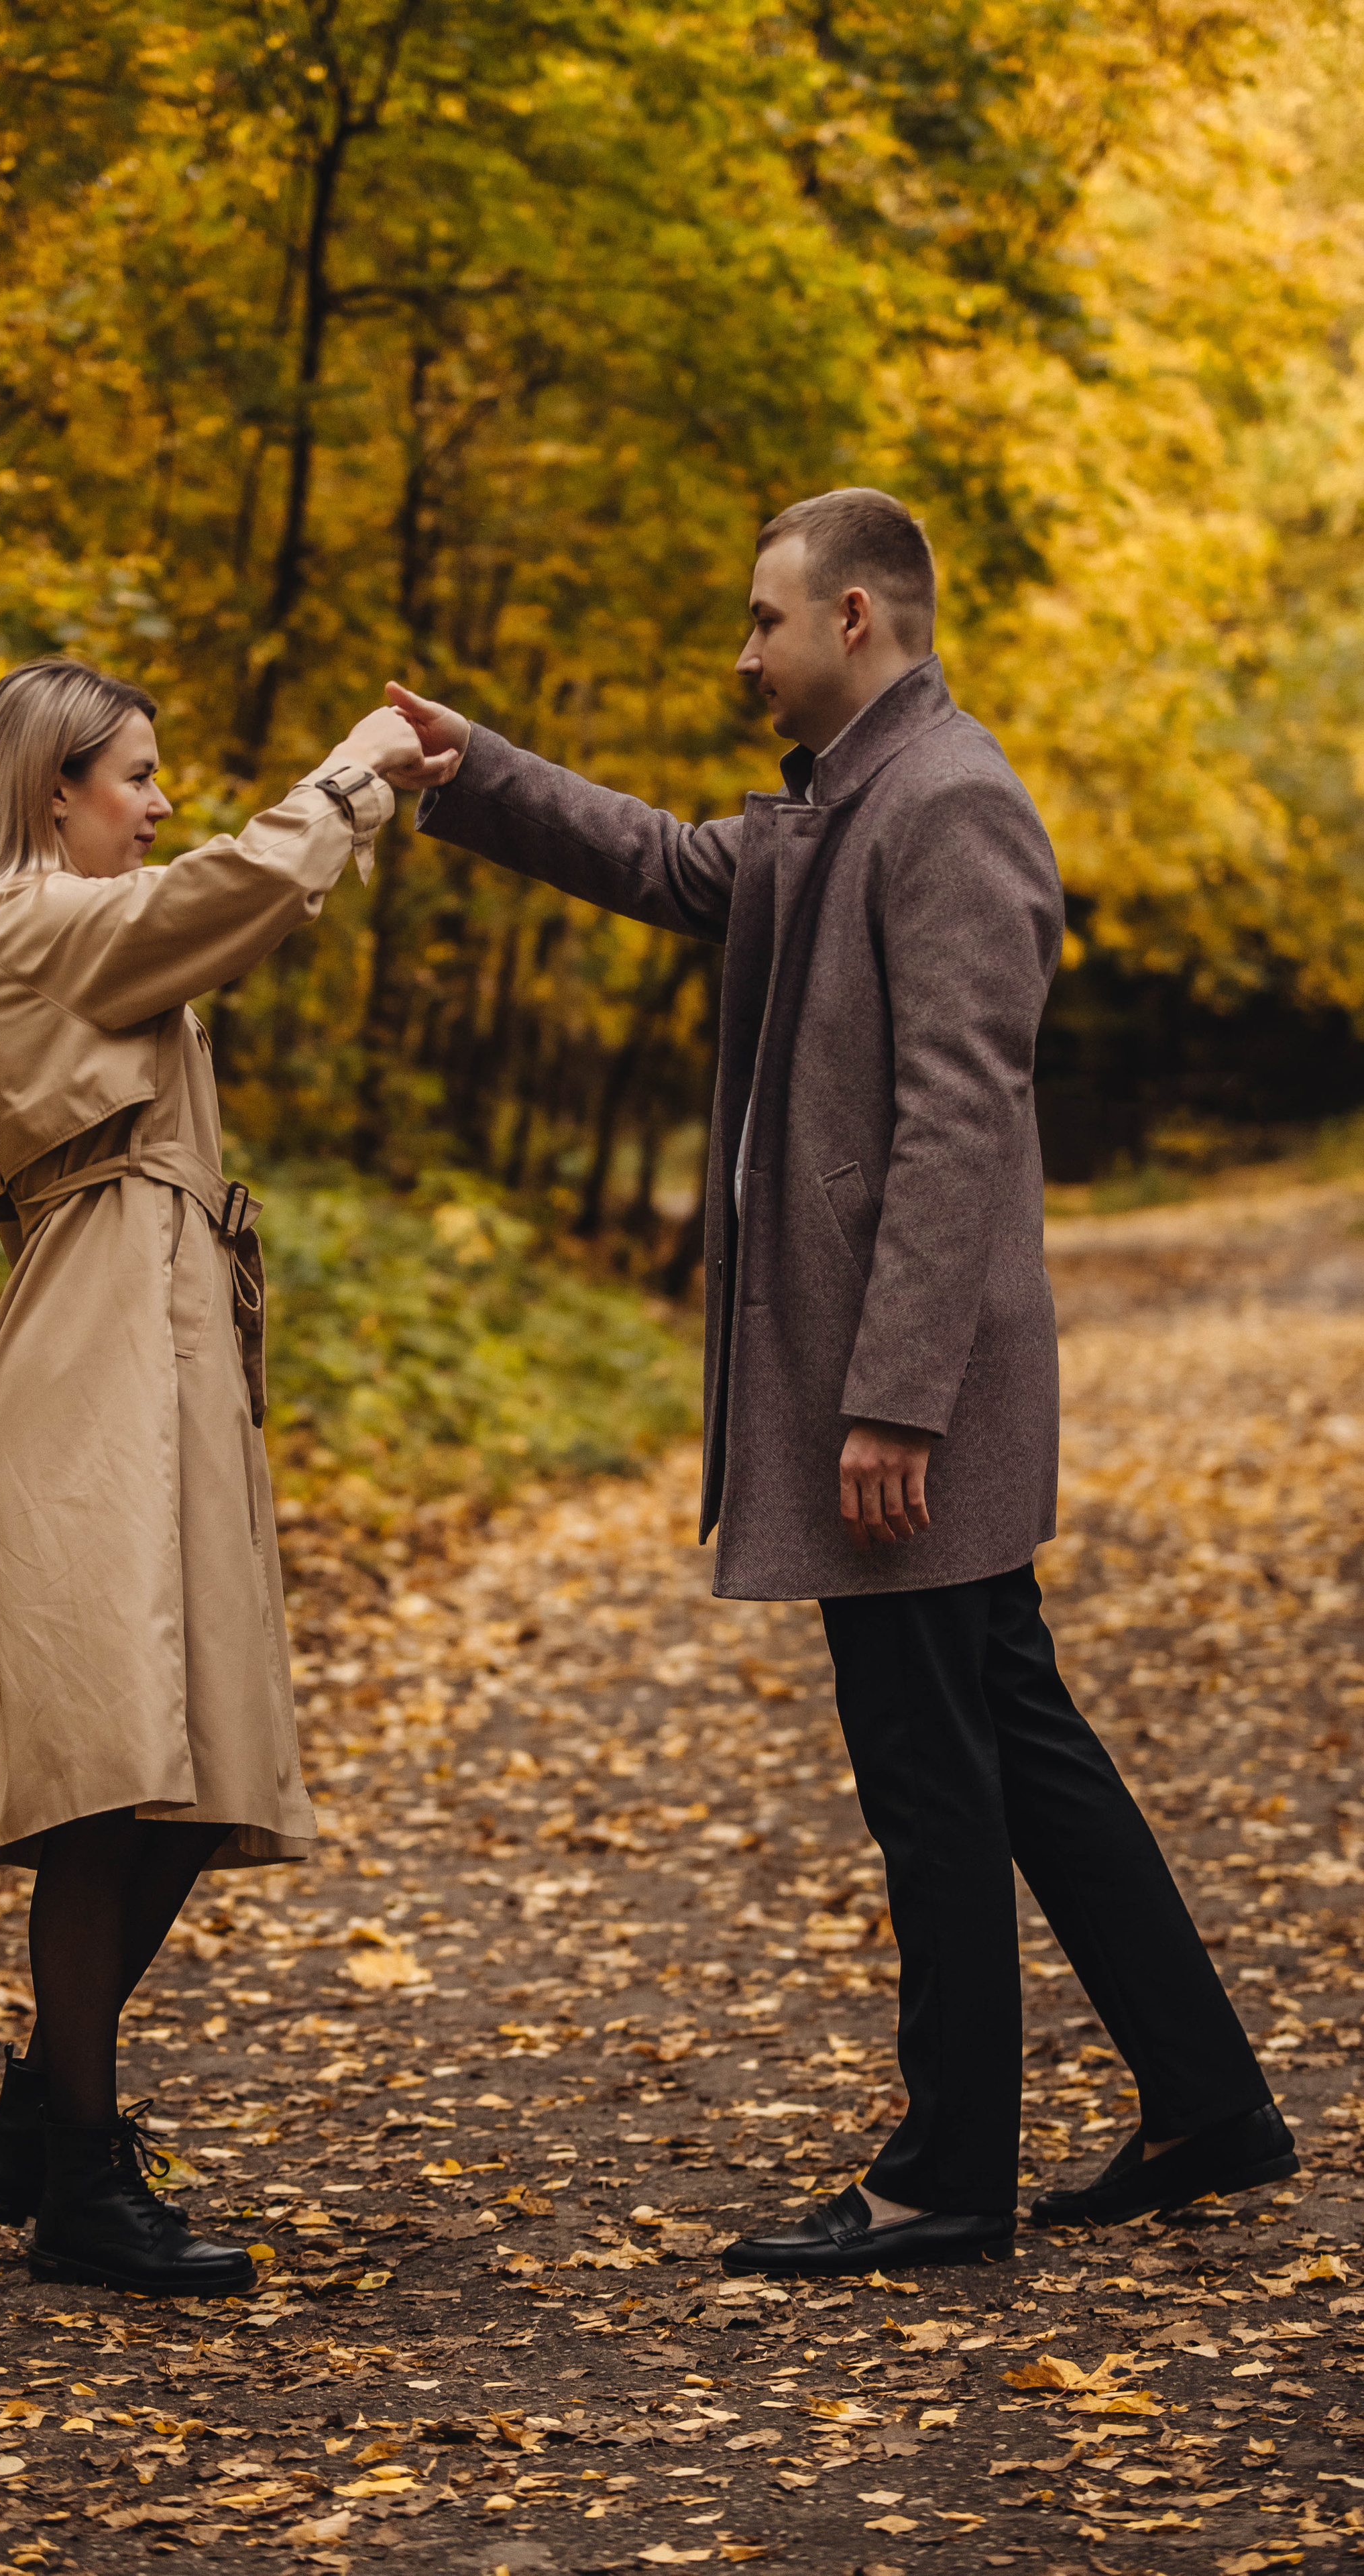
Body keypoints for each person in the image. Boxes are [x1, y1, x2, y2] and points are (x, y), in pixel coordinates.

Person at [386, 488, 1294, 2277]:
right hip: (910, 1396)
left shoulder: (948, 808)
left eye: (763, 621)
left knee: (930, 1776)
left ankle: (945, 2173)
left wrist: (896, 1402)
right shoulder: (846, 808)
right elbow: (661, 865)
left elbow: (962, 1123)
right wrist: (466, 767)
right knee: (1018, 1746)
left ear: (858, 619)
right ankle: (1209, 2103)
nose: (745, 655)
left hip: (916, 1406)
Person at [0, 659, 455, 2296]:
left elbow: (205, 909)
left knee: (197, 1758)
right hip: (91, 1355)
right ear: (52, 790)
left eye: (158, 779)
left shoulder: (95, 922)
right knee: (106, 1770)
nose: (155, 804)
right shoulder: (23, 922)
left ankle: (43, 2112)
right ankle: (79, 2174)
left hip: (169, 1346)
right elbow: (241, 886)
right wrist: (360, 768)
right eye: (134, 776)